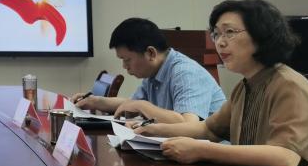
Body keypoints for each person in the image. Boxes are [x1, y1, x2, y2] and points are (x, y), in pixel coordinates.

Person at [137, 0, 308, 166]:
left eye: (230, 32)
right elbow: (208, 129)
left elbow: (285, 157)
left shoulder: (289, 86)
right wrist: (151, 130)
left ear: (262, 36)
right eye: (216, 34)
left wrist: (201, 150)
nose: (220, 42)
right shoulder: (244, 86)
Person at [72, 17, 226, 123]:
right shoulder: (154, 72)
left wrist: (142, 106)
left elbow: (188, 123)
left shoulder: (185, 72)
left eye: (127, 59)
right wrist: (95, 101)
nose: (124, 66)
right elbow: (131, 104)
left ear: (151, 53)